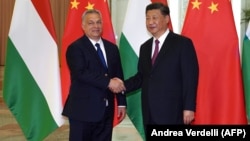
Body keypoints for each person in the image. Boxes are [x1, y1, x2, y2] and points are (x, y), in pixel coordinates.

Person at [122, 2, 199, 131]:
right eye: (147, 18)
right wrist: (121, 86)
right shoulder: (145, 47)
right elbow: (142, 77)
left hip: (173, 111)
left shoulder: (182, 44)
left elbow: (190, 78)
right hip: (149, 112)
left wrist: (189, 107)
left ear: (167, 19)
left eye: (154, 17)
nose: (150, 22)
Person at [62, 9, 126, 141]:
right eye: (91, 23)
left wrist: (121, 102)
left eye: (98, 22)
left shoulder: (112, 48)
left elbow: (118, 75)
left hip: (106, 112)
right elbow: (81, 73)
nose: (95, 26)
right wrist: (108, 82)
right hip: (82, 111)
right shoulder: (75, 48)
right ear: (83, 26)